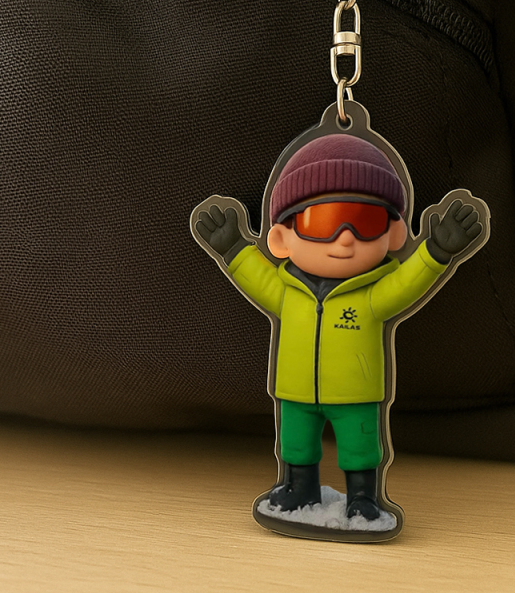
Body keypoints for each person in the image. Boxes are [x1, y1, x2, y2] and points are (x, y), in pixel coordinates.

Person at [194, 134, 483, 521]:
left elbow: (405, 285)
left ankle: (363, 497)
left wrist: (435, 253)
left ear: (394, 234)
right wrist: (234, 250)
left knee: (360, 446)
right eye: (321, 222)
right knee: (295, 443)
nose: (345, 238)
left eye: (366, 221)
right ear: (280, 239)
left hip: (356, 392)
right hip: (295, 390)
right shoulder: (287, 293)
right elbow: (258, 280)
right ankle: (298, 487)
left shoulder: (372, 295)